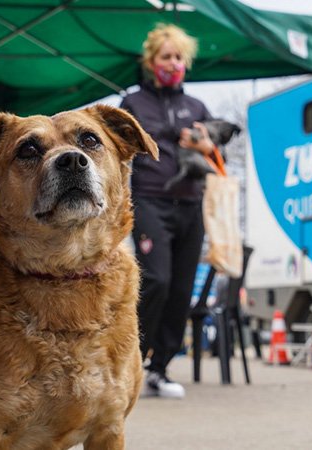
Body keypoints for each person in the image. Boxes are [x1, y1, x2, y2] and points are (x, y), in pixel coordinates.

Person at [120, 23, 217, 399]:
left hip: (191, 203)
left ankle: (160, 368)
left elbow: (215, 151)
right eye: (166, 57)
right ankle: (132, 357)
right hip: (149, 200)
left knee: (181, 289)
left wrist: (207, 144)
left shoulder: (197, 107)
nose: (172, 63)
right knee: (155, 279)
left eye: (178, 57)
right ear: (151, 61)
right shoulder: (133, 103)